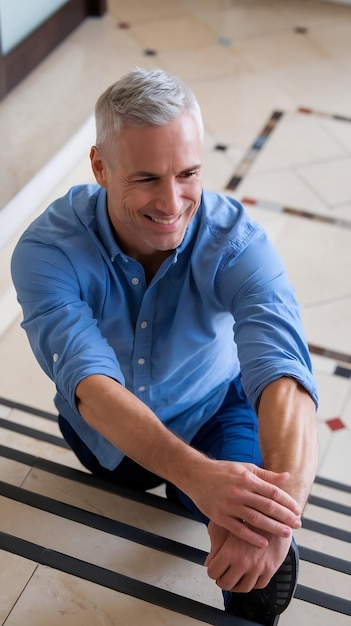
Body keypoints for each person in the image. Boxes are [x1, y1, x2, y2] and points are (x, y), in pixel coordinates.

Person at [11, 68, 318, 625]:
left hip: (212, 411)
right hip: (106, 441)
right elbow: (90, 384)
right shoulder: (46, 251)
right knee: (197, 490)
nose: (173, 201)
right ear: (100, 167)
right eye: (147, 178)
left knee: (244, 519)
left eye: (189, 173)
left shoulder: (236, 241)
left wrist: (279, 513)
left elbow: (283, 368)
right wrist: (197, 477)